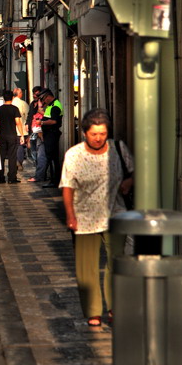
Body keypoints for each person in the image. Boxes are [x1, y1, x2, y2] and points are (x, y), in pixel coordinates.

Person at [60, 108, 133, 327]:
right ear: (85, 133)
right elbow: (67, 187)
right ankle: (93, 311)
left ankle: (114, 307)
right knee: (86, 268)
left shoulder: (118, 149)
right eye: (94, 134)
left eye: (102, 133)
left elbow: (134, 171)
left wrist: (128, 183)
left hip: (115, 215)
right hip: (84, 218)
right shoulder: (74, 155)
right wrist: (70, 215)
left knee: (116, 263)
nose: (99, 138)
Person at [0, 90, 25, 184]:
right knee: (12, 157)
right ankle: (12, 178)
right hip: (12, 135)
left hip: (2, 135)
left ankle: (0, 178)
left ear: (3, 98)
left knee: (1, 157)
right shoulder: (15, 109)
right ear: (12, 98)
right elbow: (18, 122)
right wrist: (22, 135)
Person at [40, 88, 63, 187]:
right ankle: (53, 179)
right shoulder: (50, 105)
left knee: (53, 158)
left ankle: (55, 181)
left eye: (44, 99)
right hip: (49, 134)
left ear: (48, 96)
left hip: (52, 134)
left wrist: (41, 122)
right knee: (51, 157)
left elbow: (54, 121)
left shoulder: (55, 106)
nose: (43, 101)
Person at [12, 87, 29, 170]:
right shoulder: (23, 104)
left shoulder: (10, 103)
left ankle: (14, 162)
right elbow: (28, 116)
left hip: (10, 130)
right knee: (20, 147)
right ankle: (19, 163)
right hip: (21, 130)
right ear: (20, 94)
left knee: (13, 147)